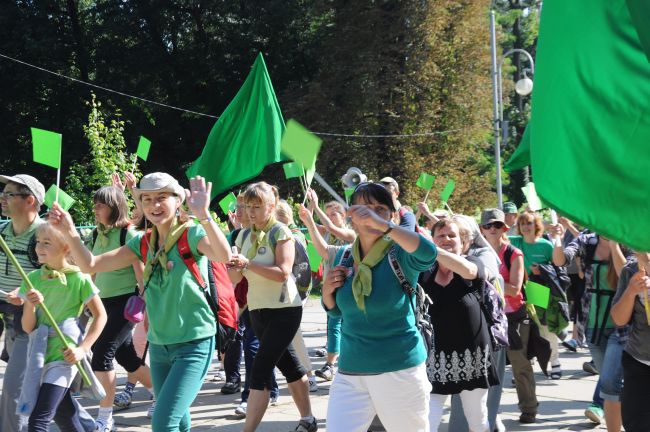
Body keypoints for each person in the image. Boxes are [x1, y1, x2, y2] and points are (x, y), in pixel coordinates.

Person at [49, 173, 232, 431]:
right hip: (159, 346)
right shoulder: (143, 242)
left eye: (161, 198)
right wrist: (69, 232)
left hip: (194, 343)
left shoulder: (192, 233)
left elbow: (223, 255)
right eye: (147, 199)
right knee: (178, 419)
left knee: (163, 421)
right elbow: (90, 264)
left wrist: (204, 214)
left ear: (178, 200)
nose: (154, 205)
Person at [322, 182, 436, 432]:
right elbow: (337, 312)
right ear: (351, 215)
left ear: (392, 215)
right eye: (364, 207)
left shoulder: (400, 253)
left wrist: (386, 227)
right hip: (351, 371)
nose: (371, 214)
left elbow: (429, 253)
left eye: (380, 209)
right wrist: (327, 293)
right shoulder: (344, 256)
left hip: (399, 370)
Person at [227, 182, 316, 432]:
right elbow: (236, 279)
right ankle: (308, 420)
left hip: (285, 310)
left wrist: (246, 264)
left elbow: (282, 273)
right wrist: (233, 267)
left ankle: (248, 430)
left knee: (260, 370)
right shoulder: (243, 235)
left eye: (257, 206)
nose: (251, 212)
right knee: (290, 365)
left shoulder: (281, 232)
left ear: (272, 206)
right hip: (258, 311)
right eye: (247, 206)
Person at [18, 222, 108, 431]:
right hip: (39, 356)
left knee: (38, 421)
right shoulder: (32, 278)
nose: (39, 248)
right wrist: (31, 304)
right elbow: (27, 327)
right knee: (65, 416)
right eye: (38, 242)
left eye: (47, 243)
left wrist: (82, 349)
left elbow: (100, 316)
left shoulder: (79, 278)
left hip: (64, 358)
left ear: (66, 248)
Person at [88, 185, 154, 431]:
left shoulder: (130, 234)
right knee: (126, 357)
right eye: (95, 204)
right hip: (103, 302)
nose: (95, 209)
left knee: (102, 352)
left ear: (114, 207)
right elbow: (93, 268)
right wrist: (87, 300)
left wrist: (147, 310)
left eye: (100, 205)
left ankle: (105, 416)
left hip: (127, 303)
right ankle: (158, 393)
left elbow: (141, 277)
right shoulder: (97, 233)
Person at [423, 219, 498, 432]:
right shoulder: (424, 272)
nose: (446, 239)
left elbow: (469, 271)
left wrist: (432, 250)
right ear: (432, 239)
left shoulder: (474, 262)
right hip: (434, 358)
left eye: (452, 236)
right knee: (426, 420)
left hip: (472, 356)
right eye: (441, 236)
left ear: (462, 242)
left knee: (477, 419)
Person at [551, 227, 627, 429]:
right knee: (610, 382)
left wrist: (613, 243)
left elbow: (624, 274)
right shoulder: (587, 240)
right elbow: (560, 260)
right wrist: (558, 237)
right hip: (592, 323)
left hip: (622, 326)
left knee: (611, 382)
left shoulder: (626, 242)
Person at [446, 214, 506, 432]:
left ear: (468, 237)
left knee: (477, 408)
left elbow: (474, 273)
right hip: (457, 342)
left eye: (455, 235)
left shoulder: (481, 256)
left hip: (486, 339)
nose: (448, 241)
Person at [481, 208, 538, 424]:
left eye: (497, 225)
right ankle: (488, 413)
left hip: (513, 316)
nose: (492, 229)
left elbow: (515, 289)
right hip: (487, 316)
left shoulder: (513, 253)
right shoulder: (477, 253)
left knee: (519, 364)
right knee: (488, 367)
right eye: (488, 226)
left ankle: (529, 408)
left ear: (505, 227)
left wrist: (485, 280)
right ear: (481, 229)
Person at [0, 174, 48, 432]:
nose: (2, 198)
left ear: (30, 200)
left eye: (9, 194)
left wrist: (27, 289)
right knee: (53, 399)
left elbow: (61, 276)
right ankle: (83, 425)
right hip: (6, 317)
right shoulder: (2, 233)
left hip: (33, 322)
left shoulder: (45, 235)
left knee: (13, 390)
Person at [227, 194, 280, 418]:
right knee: (261, 349)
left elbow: (283, 271)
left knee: (254, 347)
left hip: (270, 303)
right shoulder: (237, 235)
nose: (243, 211)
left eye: (250, 206)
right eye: (240, 206)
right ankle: (270, 389)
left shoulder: (276, 233)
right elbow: (232, 275)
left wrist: (248, 264)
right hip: (243, 300)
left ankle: (250, 396)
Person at [304, 188, 355, 382]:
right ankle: (331, 364)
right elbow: (310, 225)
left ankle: (341, 363)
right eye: (329, 214)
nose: (331, 218)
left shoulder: (350, 234)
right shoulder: (327, 235)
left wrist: (316, 207)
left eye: (334, 214)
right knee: (333, 325)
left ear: (344, 217)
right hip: (330, 287)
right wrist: (309, 210)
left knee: (346, 326)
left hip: (349, 288)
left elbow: (331, 228)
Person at [509, 211, 563, 379]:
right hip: (520, 292)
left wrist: (541, 272)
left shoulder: (546, 245)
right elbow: (496, 236)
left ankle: (555, 362)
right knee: (523, 331)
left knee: (545, 328)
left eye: (529, 223)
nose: (526, 227)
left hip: (540, 290)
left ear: (536, 225)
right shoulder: (515, 242)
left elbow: (557, 269)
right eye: (522, 223)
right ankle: (523, 368)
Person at [275, 199, 319, 393]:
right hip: (285, 293)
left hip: (291, 293)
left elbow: (299, 268)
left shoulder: (292, 236)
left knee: (294, 336)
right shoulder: (291, 233)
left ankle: (308, 376)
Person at [611, 252, 650, 432]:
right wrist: (631, 291)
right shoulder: (631, 270)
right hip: (638, 362)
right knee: (636, 425)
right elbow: (619, 319)